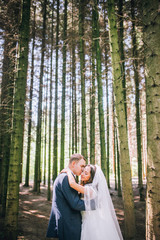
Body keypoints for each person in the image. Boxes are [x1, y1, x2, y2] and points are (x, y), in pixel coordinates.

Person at [64, 164, 124, 240]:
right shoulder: (88, 187)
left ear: (91, 177)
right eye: (82, 172)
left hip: (92, 222)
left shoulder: (90, 189)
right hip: (87, 219)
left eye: (86, 173)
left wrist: (68, 172)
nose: (82, 174)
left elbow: (72, 184)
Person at [46, 153, 87, 240]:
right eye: (82, 166)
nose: (83, 169)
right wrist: (94, 204)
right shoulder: (65, 178)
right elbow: (75, 203)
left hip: (67, 222)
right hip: (68, 224)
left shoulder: (67, 176)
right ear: (73, 164)